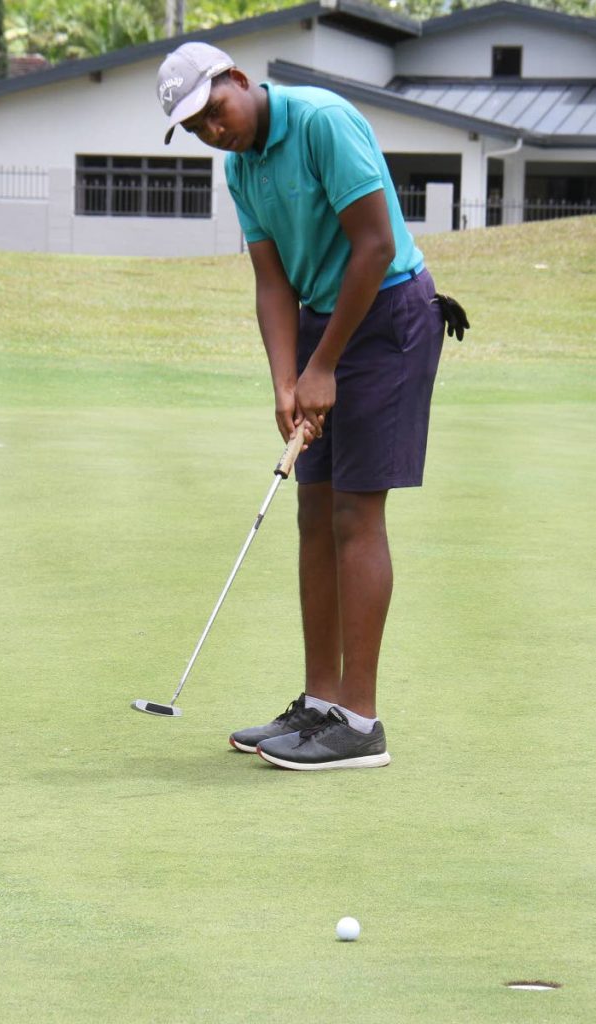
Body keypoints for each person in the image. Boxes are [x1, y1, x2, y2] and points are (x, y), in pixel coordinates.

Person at [156, 41, 469, 771]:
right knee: (311, 512)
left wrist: (322, 365)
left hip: (387, 316)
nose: (212, 131)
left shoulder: (321, 120)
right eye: (194, 127)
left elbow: (372, 244)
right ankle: (320, 704)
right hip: (322, 326)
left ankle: (358, 724)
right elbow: (272, 283)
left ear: (238, 78)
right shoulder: (242, 168)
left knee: (355, 512)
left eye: (212, 111)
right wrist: (285, 379)